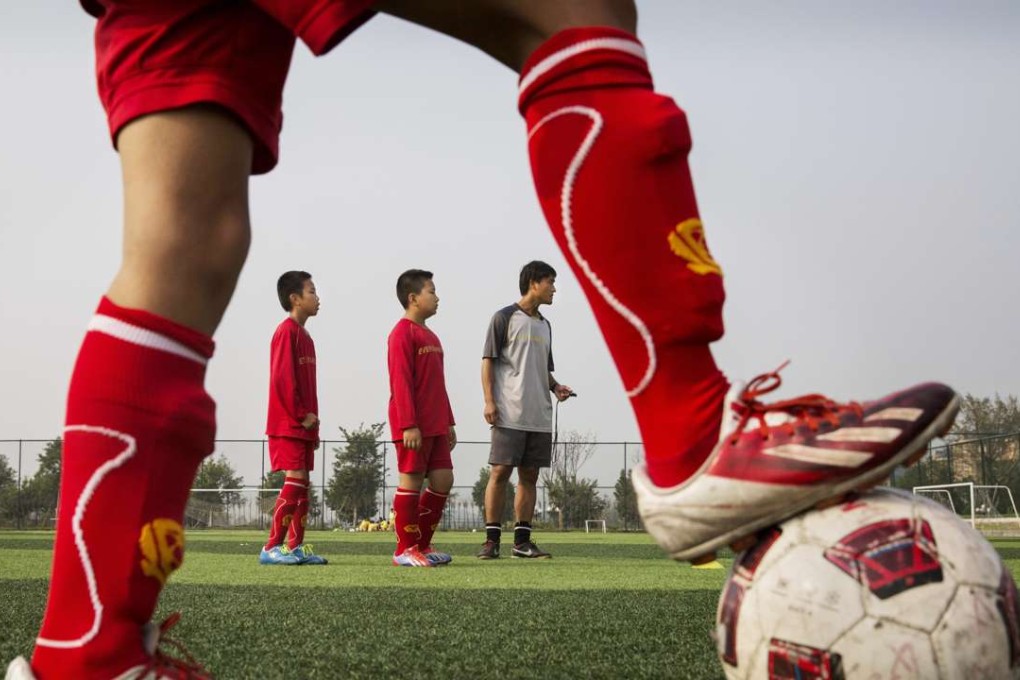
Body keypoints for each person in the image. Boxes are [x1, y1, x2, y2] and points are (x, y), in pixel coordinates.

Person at [9, 1, 959, 677]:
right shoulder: (433, 331)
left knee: (187, 236)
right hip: (393, 426)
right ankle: (689, 428)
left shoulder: (458, 330)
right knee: (571, 12)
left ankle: (86, 655)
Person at [477, 261, 574, 560]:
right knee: (500, 472)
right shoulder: (503, 318)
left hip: (539, 416)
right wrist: (489, 401)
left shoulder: (546, 325)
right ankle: (491, 541)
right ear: (534, 283)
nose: (554, 289)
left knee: (529, 477)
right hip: (509, 412)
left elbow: (544, 369)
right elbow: (488, 361)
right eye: (550, 282)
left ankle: (522, 542)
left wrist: (556, 386)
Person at [387, 269, 457, 567]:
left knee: (443, 479)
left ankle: (423, 545)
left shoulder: (431, 335)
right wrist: (408, 424)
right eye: (432, 291)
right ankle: (404, 549)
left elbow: (438, 383)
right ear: (413, 298)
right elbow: (400, 382)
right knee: (411, 482)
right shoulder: (401, 333)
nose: (437, 297)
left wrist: (449, 421)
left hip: (436, 424)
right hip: (413, 426)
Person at [260, 271, 328, 567]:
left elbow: (307, 387)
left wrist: (313, 426)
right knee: (296, 480)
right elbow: (282, 380)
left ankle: (295, 546)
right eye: (311, 291)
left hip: (304, 425)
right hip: (288, 423)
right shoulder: (285, 331)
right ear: (295, 299)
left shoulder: (306, 337)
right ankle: (271, 547)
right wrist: (301, 416)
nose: (317, 297)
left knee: (303, 485)